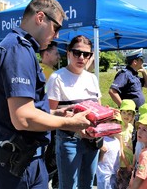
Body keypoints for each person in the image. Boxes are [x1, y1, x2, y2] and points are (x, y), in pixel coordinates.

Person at [0, 0, 91, 189]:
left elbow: (26, 108)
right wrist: (70, 123)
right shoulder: (18, 50)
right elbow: (23, 118)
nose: (57, 36)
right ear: (40, 18)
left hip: (25, 159)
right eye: (57, 28)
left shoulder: (19, 47)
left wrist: (54, 113)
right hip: (19, 163)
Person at [46, 35, 101, 189]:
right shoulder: (57, 78)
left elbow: (99, 110)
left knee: (88, 185)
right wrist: (68, 119)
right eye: (77, 53)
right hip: (69, 140)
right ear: (69, 53)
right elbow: (48, 113)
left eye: (86, 54)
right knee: (69, 186)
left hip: (92, 140)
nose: (81, 57)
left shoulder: (92, 78)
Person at [39, 41, 60, 188]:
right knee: (52, 156)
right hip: (52, 120)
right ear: (46, 54)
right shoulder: (51, 74)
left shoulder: (36, 69)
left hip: (41, 120)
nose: (59, 56)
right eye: (56, 53)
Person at [96, 113, 122, 189]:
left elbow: (117, 157)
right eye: (112, 123)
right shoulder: (102, 140)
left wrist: (118, 168)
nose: (115, 126)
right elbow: (97, 161)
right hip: (104, 176)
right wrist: (102, 153)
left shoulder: (117, 140)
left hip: (114, 174)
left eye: (118, 123)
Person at [116, 99, 136, 189]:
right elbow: (120, 150)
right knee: (122, 185)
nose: (126, 116)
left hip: (131, 162)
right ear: (120, 113)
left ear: (133, 116)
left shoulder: (131, 127)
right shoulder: (119, 128)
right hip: (123, 164)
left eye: (129, 113)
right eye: (124, 112)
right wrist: (127, 164)